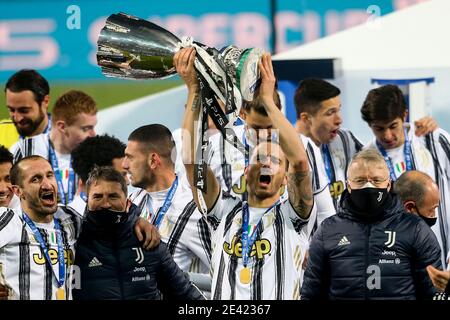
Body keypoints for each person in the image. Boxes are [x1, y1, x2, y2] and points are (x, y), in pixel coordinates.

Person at [176, 47, 313, 299]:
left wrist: (268, 101)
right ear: (246, 170)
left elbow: (301, 163)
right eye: (259, 158)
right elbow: (190, 160)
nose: (265, 163)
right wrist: (194, 90)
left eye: (275, 160)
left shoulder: (294, 218)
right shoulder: (222, 214)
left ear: (285, 178)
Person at [0, 156, 160, 300]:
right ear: (18, 191)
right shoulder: (8, 220)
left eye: (49, 175)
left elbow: (107, 224)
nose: (47, 184)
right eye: (36, 179)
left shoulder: (71, 218)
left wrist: (137, 220)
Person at [301, 149, 441, 300]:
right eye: (360, 180)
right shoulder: (328, 230)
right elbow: (311, 293)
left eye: (376, 180)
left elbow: (434, 292)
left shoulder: (416, 229)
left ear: (388, 185)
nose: (368, 186)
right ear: (348, 186)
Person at [206, 81, 335, 242]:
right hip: (236, 253)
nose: (265, 134)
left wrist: (319, 252)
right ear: (242, 113)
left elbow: (325, 212)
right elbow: (207, 210)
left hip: (291, 255)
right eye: (257, 128)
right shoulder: (217, 147)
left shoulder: (303, 147)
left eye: (270, 126)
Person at [294, 78, 438, 209]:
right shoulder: (283, 151)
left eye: (339, 109)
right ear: (306, 118)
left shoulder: (344, 139)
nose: (339, 119)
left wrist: (424, 125)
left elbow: (377, 156)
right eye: (331, 112)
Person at [72, 166, 205, 300]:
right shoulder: (74, 240)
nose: (106, 204)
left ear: (128, 203)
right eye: (98, 197)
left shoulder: (148, 241)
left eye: (113, 196)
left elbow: (185, 293)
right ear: (87, 202)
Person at [361, 84, 450, 268]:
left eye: (393, 126)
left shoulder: (434, 140)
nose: (387, 135)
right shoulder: (365, 159)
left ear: (404, 115)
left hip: (443, 252)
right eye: (379, 128)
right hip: (397, 262)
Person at [123, 124, 211, 275]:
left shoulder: (194, 210)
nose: (124, 165)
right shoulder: (132, 202)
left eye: (130, 157)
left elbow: (222, 271)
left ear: (153, 161)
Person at [11, 90, 97, 206]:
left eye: (93, 127)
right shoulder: (23, 151)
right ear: (62, 126)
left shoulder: (95, 155)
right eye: (86, 129)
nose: (93, 134)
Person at [394, 170, 450, 294]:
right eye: (432, 209)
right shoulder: (425, 239)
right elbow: (435, 293)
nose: (434, 215)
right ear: (409, 207)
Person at [70, 134, 128, 216]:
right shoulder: (65, 224)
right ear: (98, 173)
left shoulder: (132, 217)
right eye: (122, 175)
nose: (127, 181)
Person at [2, 70, 52, 148]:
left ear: (45, 102)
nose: (17, 118)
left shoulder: (67, 136)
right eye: (11, 110)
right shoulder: (1, 132)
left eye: (24, 111)